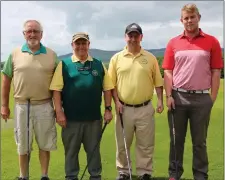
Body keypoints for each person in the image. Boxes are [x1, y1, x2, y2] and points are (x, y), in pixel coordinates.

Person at [162, 3, 223, 180]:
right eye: (186, 18)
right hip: (177, 97)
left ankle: (200, 175)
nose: (189, 21)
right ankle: (174, 174)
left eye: (192, 17)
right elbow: (168, 71)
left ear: (198, 18)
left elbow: (216, 71)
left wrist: (211, 98)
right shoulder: (173, 42)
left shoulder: (212, 41)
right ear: (182, 20)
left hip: (202, 98)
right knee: (176, 141)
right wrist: (168, 96)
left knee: (199, 143)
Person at [49, 32, 114, 180]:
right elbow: (56, 90)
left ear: (88, 45)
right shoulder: (64, 65)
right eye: (77, 43)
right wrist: (59, 112)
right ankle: (71, 176)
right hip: (71, 119)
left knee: (94, 151)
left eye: (83, 43)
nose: (81, 46)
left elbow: (107, 88)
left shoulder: (98, 64)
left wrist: (108, 109)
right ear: (72, 46)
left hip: (93, 119)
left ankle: (95, 176)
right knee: (71, 151)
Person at [1, 20, 59, 180]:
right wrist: (4, 106)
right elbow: (6, 79)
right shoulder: (14, 53)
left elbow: (59, 83)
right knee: (23, 145)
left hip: (44, 105)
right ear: (24, 34)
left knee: (45, 144)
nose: (32, 34)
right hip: (21, 106)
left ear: (41, 34)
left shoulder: (52, 55)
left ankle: (44, 175)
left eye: (36, 31)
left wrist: (59, 108)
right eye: (29, 31)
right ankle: (23, 176)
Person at [108, 23, 164, 180]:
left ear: (141, 37)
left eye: (136, 35)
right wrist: (116, 102)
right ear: (125, 37)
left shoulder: (150, 58)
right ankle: (123, 172)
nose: (133, 38)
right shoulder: (116, 58)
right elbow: (111, 84)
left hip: (145, 107)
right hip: (123, 108)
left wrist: (160, 100)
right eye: (130, 35)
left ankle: (144, 172)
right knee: (122, 144)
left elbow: (158, 82)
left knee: (145, 144)